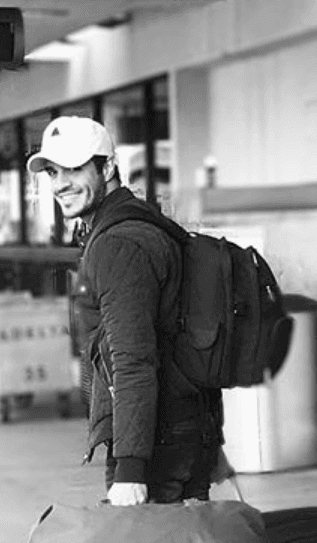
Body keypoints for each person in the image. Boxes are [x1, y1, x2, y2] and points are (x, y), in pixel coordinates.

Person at [27, 116, 222, 506]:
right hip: (178, 428)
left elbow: (132, 358)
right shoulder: (141, 223)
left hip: (155, 440)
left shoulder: (119, 245)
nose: (60, 182)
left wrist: (131, 469)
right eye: (52, 171)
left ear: (109, 167)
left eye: (75, 168)